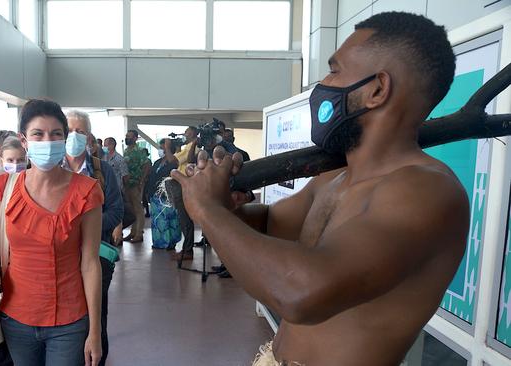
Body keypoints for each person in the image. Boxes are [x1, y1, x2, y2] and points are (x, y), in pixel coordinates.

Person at [170, 12, 469, 365]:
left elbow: (300, 293)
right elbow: (271, 226)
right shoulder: (337, 176)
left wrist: (209, 210)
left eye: (335, 70)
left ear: (377, 89)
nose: (323, 85)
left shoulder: (426, 191)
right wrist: (227, 205)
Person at [0, 99, 103, 366]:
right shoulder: (3, 188)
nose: (48, 141)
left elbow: (90, 263)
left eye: (56, 134)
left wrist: (95, 331)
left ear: (65, 139)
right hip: (16, 319)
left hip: (69, 321)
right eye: (38, 134)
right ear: (24, 141)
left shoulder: (87, 190)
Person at [63, 110, 123, 366]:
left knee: (96, 311)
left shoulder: (102, 170)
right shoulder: (48, 169)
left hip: (96, 255)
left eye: (81, 131)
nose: (74, 136)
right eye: (69, 130)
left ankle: (97, 357)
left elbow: (116, 210)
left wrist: (85, 228)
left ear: (89, 138)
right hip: (61, 258)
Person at [145, 139, 180, 249]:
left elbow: (173, 165)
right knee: (157, 220)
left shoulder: (173, 161)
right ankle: (159, 242)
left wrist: (168, 147)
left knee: (169, 219)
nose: (161, 150)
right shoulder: (157, 162)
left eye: (163, 148)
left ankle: (170, 242)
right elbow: (151, 177)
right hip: (155, 195)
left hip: (167, 196)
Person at [170, 127, 199, 259]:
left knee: (185, 219)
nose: (185, 133)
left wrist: (167, 147)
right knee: (183, 219)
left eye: (187, 131)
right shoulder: (187, 146)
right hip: (180, 184)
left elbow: (175, 160)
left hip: (184, 185)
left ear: (193, 133)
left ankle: (187, 251)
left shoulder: (193, 147)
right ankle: (186, 249)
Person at [123, 130, 151, 243]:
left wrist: (142, 181)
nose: (127, 138)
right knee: (131, 209)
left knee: (138, 209)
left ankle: (139, 233)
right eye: (126, 136)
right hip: (127, 184)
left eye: (129, 136)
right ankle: (133, 232)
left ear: (135, 138)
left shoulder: (139, 151)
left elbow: (147, 165)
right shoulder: (126, 151)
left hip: (136, 183)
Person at [102, 137, 129, 246]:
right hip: (106, 191)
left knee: (116, 214)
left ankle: (118, 237)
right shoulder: (103, 158)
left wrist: (124, 189)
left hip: (117, 190)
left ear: (112, 145)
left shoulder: (119, 159)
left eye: (106, 144)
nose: (104, 147)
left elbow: (125, 175)